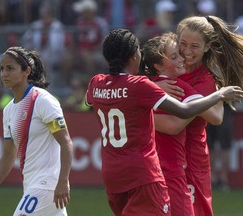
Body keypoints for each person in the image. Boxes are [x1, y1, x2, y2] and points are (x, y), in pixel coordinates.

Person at [85, 28, 243, 216]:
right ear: (133, 56)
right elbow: (185, 112)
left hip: (112, 175)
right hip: (144, 174)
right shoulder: (141, 86)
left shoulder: (96, 82)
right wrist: (220, 94)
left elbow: (92, 103)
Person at [156, 15, 243, 216]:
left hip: (189, 161)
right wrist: (153, 86)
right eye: (183, 44)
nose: (186, 52)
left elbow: (174, 125)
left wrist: (136, 118)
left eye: (194, 46)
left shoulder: (205, 81)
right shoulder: (167, 66)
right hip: (160, 158)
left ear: (207, 47)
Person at [0, 46, 73, 215]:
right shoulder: (8, 110)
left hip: (47, 185)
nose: (4, 74)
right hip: (31, 185)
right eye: (2, 69)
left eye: (10, 68)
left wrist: (63, 181)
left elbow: (66, 142)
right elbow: (9, 154)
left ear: (27, 71)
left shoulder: (43, 100)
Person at [141, 32, 202, 216]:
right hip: (170, 171)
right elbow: (215, 116)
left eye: (179, 54)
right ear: (158, 66)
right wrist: (219, 94)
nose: (182, 59)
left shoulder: (140, 86)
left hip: (145, 172)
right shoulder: (178, 87)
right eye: (174, 56)